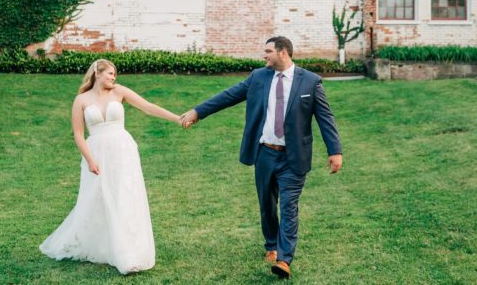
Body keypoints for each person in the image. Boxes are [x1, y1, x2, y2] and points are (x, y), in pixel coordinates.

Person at [179, 36, 343, 280]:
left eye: (268, 51)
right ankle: (271, 244)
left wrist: (335, 150)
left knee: (289, 206)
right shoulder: (258, 77)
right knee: (267, 204)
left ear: (283, 52)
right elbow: (228, 96)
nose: (264, 56)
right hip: (265, 153)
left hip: (293, 156)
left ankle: (284, 260)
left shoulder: (310, 82)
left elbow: (325, 117)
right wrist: (197, 112)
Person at [40, 59, 182, 275]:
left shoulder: (119, 91)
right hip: (96, 152)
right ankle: (103, 246)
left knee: (124, 197)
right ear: (97, 72)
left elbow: (148, 107)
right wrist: (90, 160)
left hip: (122, 151)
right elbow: (78, 134)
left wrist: (177, 118)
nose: (114, 78)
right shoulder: (81, 100)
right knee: (98, 199)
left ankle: (128, 254)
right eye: (110, 74)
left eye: (115, 75)